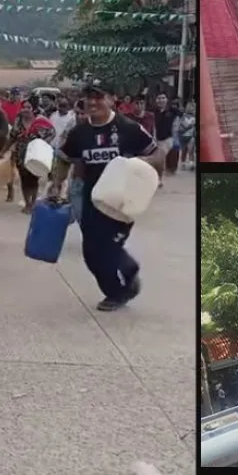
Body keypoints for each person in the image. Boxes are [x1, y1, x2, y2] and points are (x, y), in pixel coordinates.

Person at [60, 80, 163, 311]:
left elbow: (157, 154)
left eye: (98, 96)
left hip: (121, 201)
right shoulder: (79, 131)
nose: (93, 102)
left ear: (110, 99)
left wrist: (141, 164)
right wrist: (58, 185)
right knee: (90, 253)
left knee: (108, 248)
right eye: (88, 97)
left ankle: (120, 290)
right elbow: (68, 158)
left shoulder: (128, 128)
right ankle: (118, 283)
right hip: (90, 199)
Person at [10, 100, 56, 214]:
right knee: (24, 179)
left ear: (33, 108)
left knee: (34, 179)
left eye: (28, 107)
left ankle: (34, 202)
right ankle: (27, 204)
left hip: (35, 154)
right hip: (21, 154)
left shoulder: (40, 120)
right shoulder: (18, 121)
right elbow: (12, 137)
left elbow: (52, 132)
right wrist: (4, 151)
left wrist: (43, 142)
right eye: (23, 107)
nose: (25, 109)